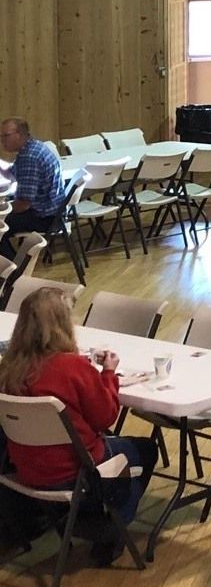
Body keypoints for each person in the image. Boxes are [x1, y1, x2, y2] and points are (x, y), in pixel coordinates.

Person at [0, 286, 158, 563]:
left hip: (26, 470)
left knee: (101, 447)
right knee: (145, 450)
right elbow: (105, 417)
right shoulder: (72, 368)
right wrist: (108, 374)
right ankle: (110, 530)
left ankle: (83, 518)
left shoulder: (9, 368)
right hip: (74, 470)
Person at [0, 117, 67, 260]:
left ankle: (12, 270)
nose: (2, 140)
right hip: (54, 212)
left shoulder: (29, 157)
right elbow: (14, 172)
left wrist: (2, 209)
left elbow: (23, 204)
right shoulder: (35, 147)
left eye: (6, 136)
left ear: (20, 135)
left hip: (44, 217)